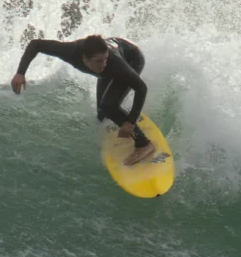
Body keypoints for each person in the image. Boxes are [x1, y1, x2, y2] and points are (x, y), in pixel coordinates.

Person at [11, 34, 156, 166]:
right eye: (99, 61)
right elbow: (35, 44)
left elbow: (141, 88)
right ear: (85, 59)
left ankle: (143, 143)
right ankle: (118, 116)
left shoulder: (113, 63)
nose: (103, 64)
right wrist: (20, 73)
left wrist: (131, 122)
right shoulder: (70, 51)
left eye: (105, 59)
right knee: (102, 112)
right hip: (113, 63)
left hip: (132, 59)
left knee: (108, 105)